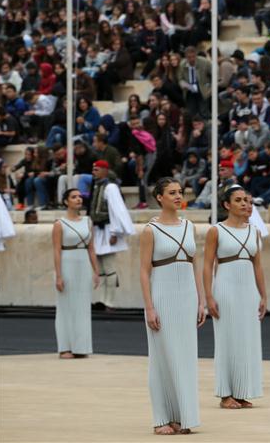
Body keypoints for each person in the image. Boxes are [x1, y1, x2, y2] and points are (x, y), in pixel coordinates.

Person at [139, 177, 205, 435]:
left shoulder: (190, 226)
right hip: (162, 297)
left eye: (180, 192)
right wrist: (149, 307)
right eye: (172, 192)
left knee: (186, 358)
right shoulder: (150, 230)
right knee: (162, 358)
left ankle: (182, 416)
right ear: (159, 197)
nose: (178, 196)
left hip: (187, 297)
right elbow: (144, 272)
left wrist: (201, 301)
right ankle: (161, 418)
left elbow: (195, 265)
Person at [204, 185, 267, 410]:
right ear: (226, 205)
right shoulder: (216, 231)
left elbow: (258, 266)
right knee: (227, 339)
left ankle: (242, 391)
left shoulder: (254, 231)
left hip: (248, 289)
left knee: (247, 338)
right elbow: (207, 265)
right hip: (225, 287)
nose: (244, 204)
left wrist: (263, 296)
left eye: (247, 200)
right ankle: (225, 393)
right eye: (239, 200)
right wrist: (208, 296)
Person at [53, 189, 99, 359]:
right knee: (65, 307)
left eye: (80, 196)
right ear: (66, 202)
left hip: (84, 265)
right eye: (74, 197)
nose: (78, 199)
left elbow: (91, 248)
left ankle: (81, 346)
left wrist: (96, 271)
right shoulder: (60, 224)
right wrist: (58, 275)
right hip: (67, 264)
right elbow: (56, 251)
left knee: (82, 307)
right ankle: (65, 347)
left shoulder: (88, 221)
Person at [90, 160, 135, 309]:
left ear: (104, 170)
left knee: (109, 266)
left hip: (108, 229)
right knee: (101, 268)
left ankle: (110, 301)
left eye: (96, 169)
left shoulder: (110, 187)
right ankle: (102, 299)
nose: (93, 172)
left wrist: (115, 232)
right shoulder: (97, 186)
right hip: (98, 231)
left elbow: (116, 209)